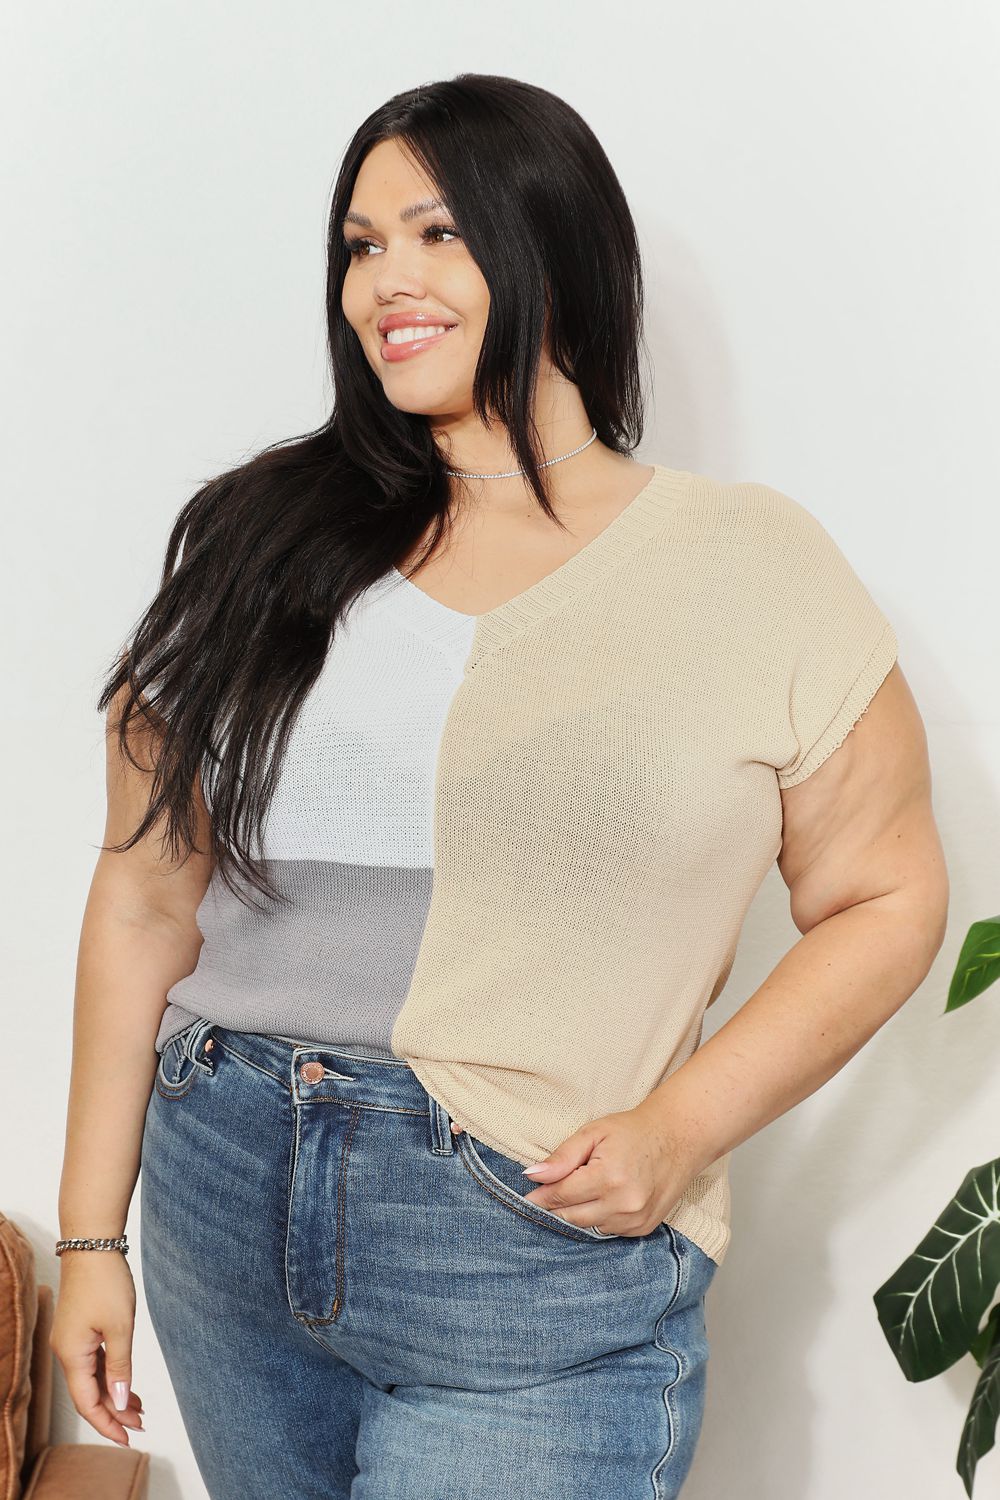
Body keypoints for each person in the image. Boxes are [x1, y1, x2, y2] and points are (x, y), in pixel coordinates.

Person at [51, 72, 949, 1500]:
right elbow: (147, 887)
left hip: (524, 1238)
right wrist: (89, 1237)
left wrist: (683, 1126)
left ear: (555, 249)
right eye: (359, 244)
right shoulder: (260, 536)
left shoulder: (749, 567)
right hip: (220, 1185)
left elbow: (889, 895)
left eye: (435, 233)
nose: (384, 281)